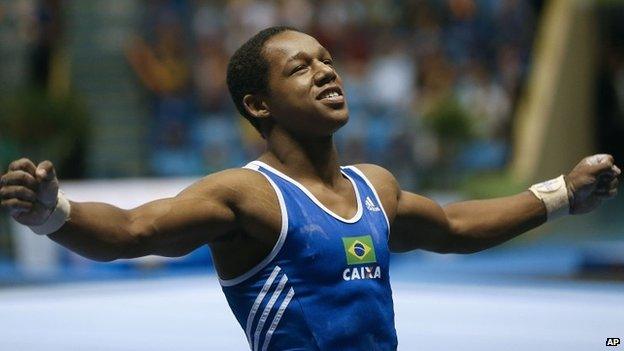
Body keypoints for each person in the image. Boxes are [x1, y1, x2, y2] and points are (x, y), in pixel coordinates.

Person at [0, 26, 620, 350]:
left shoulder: (374, 186)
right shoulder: (246, 196)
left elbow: (456, 227)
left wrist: (561, 192)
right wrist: (55, 214)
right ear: (257, 102)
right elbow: (135, 232)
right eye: (301, 66)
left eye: (327, 59)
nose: (326, 70)